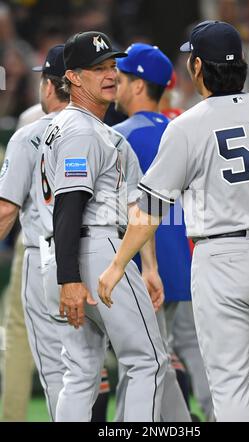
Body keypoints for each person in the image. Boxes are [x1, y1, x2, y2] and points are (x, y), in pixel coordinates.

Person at [98, 20, 249, 422]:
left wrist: (118, 263)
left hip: (223, 256)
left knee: (229, 381)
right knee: (247, 375)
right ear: (241, 63)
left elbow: (148, 211)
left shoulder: (189, 124)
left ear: (197, 67)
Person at [38, 31, 167, 422]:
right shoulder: (82, 131)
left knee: (80, 373)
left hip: (67, 256)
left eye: (112, 66)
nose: (110, 75)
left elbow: (134, 206)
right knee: (149, 362)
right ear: (73, 77)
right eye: (98, 69)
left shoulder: (81, 129)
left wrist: (148, 266)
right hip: (90, 252)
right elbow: (69, 206)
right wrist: (69, 278)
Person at [114, 43, 192, 422]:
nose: (116, 82)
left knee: (144, 363)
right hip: (183, 262)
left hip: (141, 265)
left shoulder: (120, 134)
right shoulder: (184, 130)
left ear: (140, 85)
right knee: (159, 359)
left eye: (124, 77)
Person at [0, 45, 68, 421]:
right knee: (87, 354)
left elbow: (6, 208)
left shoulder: (29, 122)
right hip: (93, 247)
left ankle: (12, 417)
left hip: (37, 246)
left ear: (47, 84)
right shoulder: (103, 127)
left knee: (22, 339)